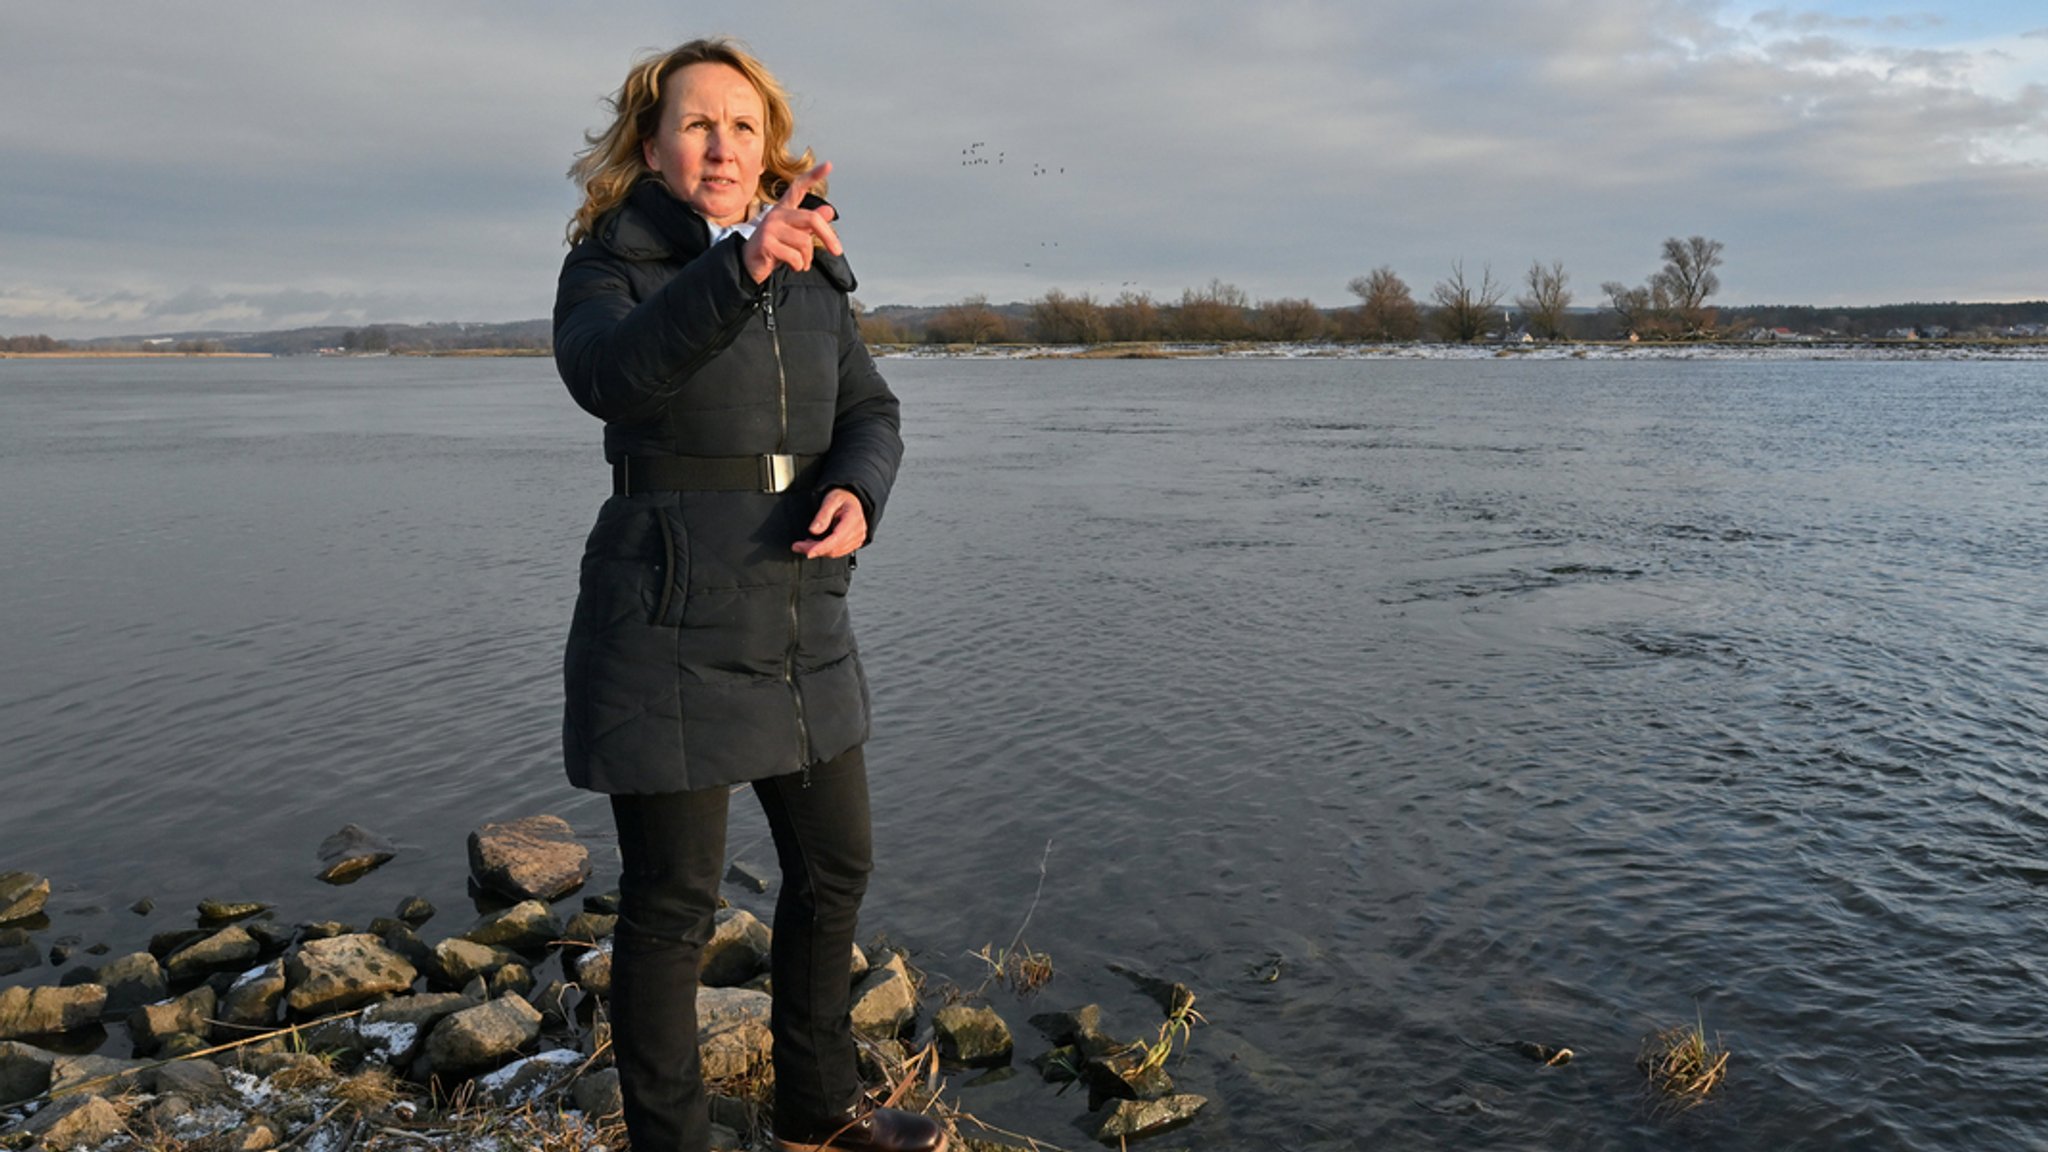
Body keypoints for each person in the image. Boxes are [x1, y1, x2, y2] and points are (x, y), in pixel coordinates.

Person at [553, 38, 942, 1152]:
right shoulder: (607, 262)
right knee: (672, 905)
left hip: (797, 606)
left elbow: (870, 411)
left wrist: (861, 493)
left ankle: (817, 1117)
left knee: (833, 867)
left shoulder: (814, 266)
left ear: (768, 144)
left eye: (740, 123)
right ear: (650, 142)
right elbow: (612, 376)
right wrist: (740, 267)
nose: (719, 144)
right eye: (694, 122)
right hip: (665, 612)